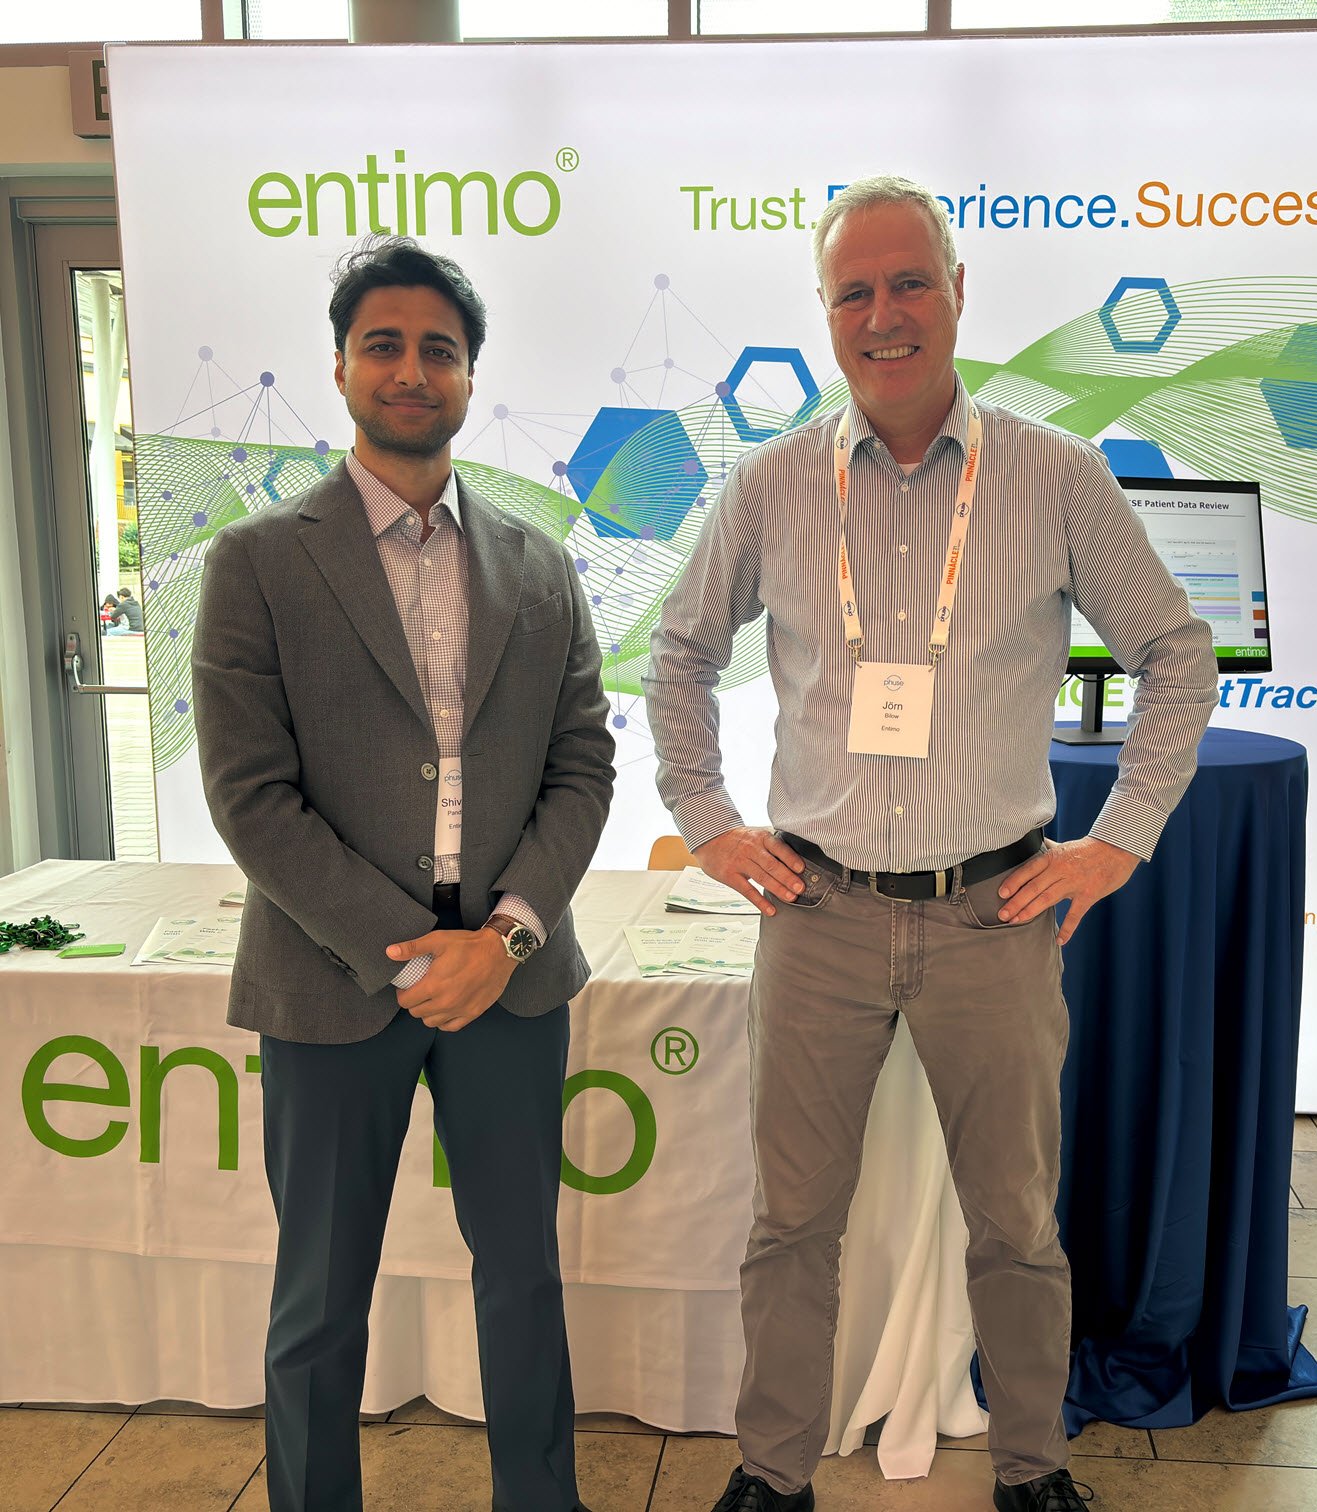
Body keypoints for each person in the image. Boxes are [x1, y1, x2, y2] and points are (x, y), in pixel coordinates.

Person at [644, 176, 1216, 1512]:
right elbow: (676, 657)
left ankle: (1033, 1470)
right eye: (854, 291)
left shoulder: (1053, 475)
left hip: (992, 918)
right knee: (790, 1225)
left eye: (910, 283)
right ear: (827, 315)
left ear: (959, 295)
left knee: (1015, 1227)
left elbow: (1176, 659)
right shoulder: (774, 482)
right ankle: (772, 1475)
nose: (883, 315)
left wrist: (1116, 841)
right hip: (820, 916)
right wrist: (711, 825)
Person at [192, 236, 614, 1512]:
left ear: (471, 377)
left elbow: (580, 764)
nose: (411, 368)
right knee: (319, 1291)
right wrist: (411, 947)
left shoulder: (537, 562)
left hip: (508, 980)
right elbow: (250, 797)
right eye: (384, 343)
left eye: (438, 347)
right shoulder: (258, 564)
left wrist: (506, 937)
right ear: (339, 368)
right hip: (333, 980)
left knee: (522, 1279)